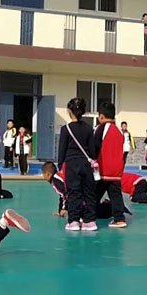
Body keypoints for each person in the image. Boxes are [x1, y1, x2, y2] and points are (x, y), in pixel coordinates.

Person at [57, 97, 97, 231]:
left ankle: (74, 221)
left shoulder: (66, 129)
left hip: (71, 164)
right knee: (89, 192)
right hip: (85, 163)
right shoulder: (88, 128)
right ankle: (89, 221)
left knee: (74, 192)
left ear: (70, 111)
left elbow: (62, 149)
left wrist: (60, 164)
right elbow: (92, 151)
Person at [94, 101, 128, 227]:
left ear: (101, 116)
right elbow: (124, 151)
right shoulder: (120, 131)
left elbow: (95, 146)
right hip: (116, 171)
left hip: (103, 170)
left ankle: (88, 217)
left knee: (94, 195)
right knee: (116, 196)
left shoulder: (100, 128)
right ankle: (119, 219)